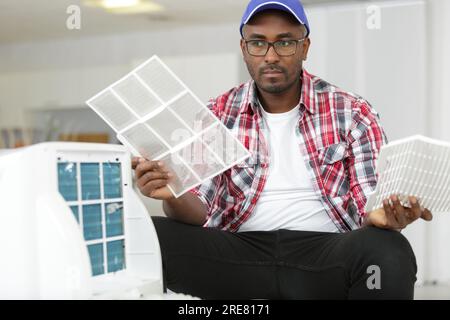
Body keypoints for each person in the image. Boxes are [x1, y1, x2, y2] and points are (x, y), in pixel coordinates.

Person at [132, 0, 433, 299]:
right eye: (258, 43)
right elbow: (200, 208)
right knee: (147, 237)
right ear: (244, 48)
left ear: (305, 47)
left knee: (388, 250)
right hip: (239, 258)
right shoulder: (217, 114)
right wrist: (173, 190)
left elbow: (368, 201)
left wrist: (383, 216)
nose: (271, 56)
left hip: (326, 257)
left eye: (285, 43)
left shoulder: (352, 112)